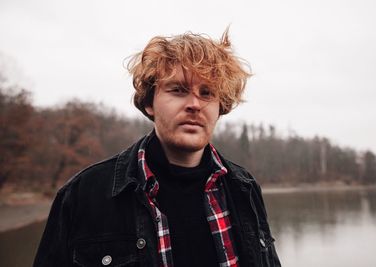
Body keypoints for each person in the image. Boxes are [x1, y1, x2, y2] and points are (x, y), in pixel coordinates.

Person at [34, 30, 281, 267]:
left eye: (207, 93)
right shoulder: (83, 194)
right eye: (178, 90)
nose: (194, 104)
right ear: (149, 102)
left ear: (220, 107)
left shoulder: (244, 188)